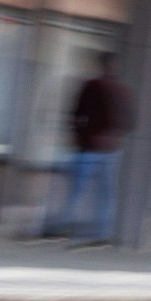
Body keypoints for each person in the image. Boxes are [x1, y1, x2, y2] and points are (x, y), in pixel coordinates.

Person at [50, 51, 134, 247]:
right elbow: (78, 114)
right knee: (100, 192)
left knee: (84, 190)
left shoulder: (102, 88)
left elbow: (77, 114)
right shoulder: (114, 90)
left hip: (91, 148)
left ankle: (82, 229)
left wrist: (83, 136)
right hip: (98, 149)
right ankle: (95, 231)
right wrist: (111, 136)